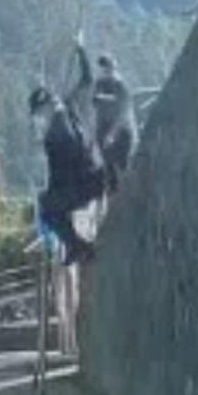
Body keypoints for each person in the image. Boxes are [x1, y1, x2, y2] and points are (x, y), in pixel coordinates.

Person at [29, 81, 105, 265]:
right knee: (51, 200)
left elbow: (67, 162)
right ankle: (75, 246)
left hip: (85, 182)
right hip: (93, 175)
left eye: (39, 113)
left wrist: (56, 189)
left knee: (47, 206)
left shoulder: (57, 129)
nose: (39, 118)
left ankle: (78, 247)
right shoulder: (67, 112)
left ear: (46, 108)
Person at [93, 54, 138, 192]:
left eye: (107, 68)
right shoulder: (99, 85)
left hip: (122, 134)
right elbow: (95, 107)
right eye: (102, 69)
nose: (104, 72)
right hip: (103, 131)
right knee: (109, 172)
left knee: (123, 170)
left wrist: (112, 134)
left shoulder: (121, 87)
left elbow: (123, 114)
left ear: (113, 69)